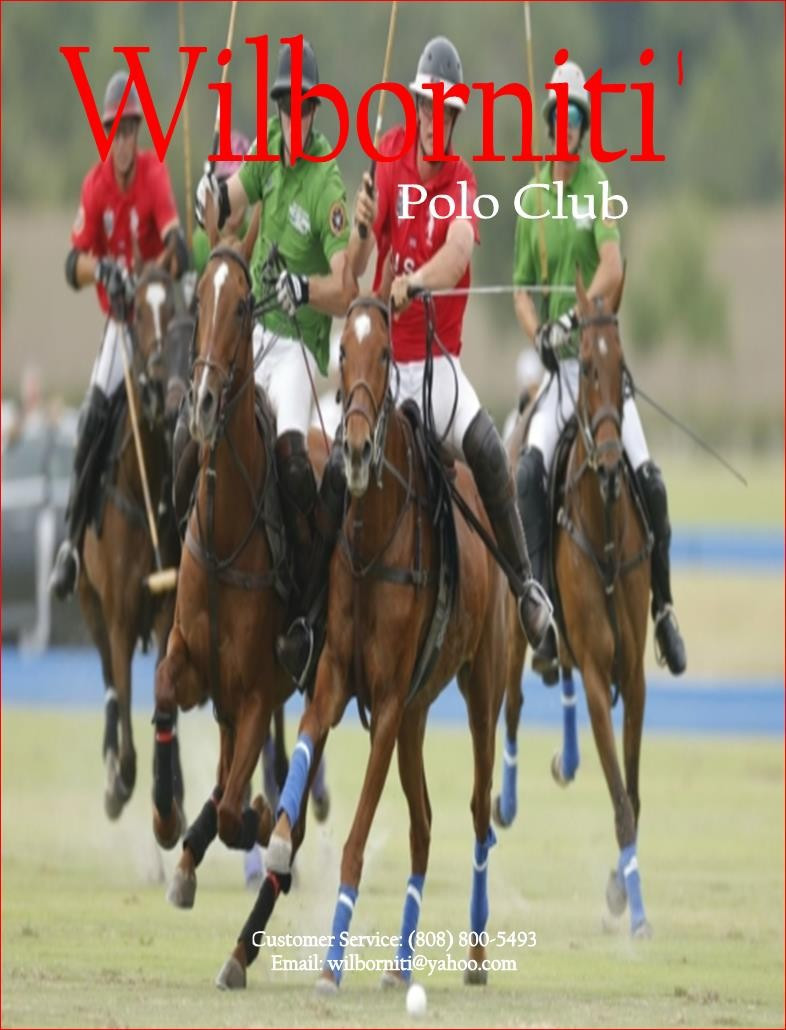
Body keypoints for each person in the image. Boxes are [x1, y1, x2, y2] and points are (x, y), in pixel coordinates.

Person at [349, 36, 552, 650]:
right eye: (427, 107)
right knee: (335, 462)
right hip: (384, 366)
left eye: (446, 111)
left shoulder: (462, 180)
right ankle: (309, 608)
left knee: (488, 450)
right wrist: (361, 227)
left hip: (436, 367)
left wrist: (416, 281)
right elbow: (354, 268)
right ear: (416, 108)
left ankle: (525, 586)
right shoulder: (387, 159)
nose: (434, 119)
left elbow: (459, 248)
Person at [512, 59, 686, 679]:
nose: (568, 130)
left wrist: (574, 318)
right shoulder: (532, 198)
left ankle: (663, 609)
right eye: (560, 118)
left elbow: (612, 266)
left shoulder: (597, 186)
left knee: (650, 480)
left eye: (576, 120)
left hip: (599, 371)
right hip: (560, 377)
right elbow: (521, 291)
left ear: (583, 128)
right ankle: (541, 609)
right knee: (529, 473)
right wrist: (539, 333)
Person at [194, 39, 356, 688]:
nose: (292, 115)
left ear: (314, 111)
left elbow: (346, 286)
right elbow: (225, 211)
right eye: (284, 103)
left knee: (289, 460)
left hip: (298, 350)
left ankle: (305, 608)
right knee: (195, 430)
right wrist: (211, 192)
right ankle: (190, 565)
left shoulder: (327, 182)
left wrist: (304, 289)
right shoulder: (266, 151)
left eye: (301, 106)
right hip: (253, 335)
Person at [50, 71, 188, 599]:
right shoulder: (95, 186)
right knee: (92, 416)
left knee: (182, 415)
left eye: (129, 130)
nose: (123, 141)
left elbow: (175, 240)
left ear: (138, 134)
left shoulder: (153, 175)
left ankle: (194, 538)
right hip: (120, 325)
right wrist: (101, 270)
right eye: (115, 131)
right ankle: (71, 542)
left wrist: (163, 259)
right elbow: (72, 264)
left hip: (156, 323)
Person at [191, 129, 251, 276]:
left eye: (238, 187)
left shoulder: (258, 237)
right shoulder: (200, 241)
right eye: (223, 186)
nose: (232, 198)